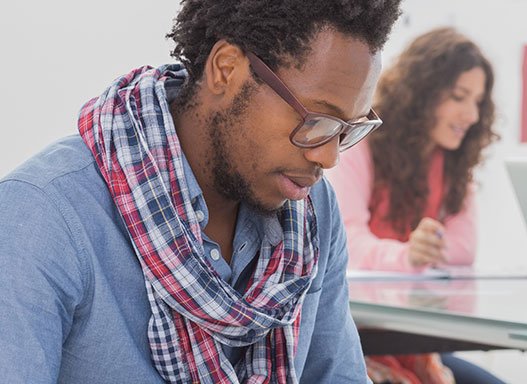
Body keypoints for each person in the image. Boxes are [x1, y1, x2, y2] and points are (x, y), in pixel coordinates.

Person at [0, 1, 401, 382]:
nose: (329, 157)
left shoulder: (313, 212)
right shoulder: (42, 216)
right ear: (226, 69)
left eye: (347, 130)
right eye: (316, 120)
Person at [326, 28, 503, 383]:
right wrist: (409, 256)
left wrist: (425, 250)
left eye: (477, 101)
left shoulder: (453, 161)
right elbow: (347, 246)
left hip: (413, 338)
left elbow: (464, 248)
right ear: (422, 94)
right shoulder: (363, 145)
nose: (471, 114)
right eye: (458, 97)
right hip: (357, 333)